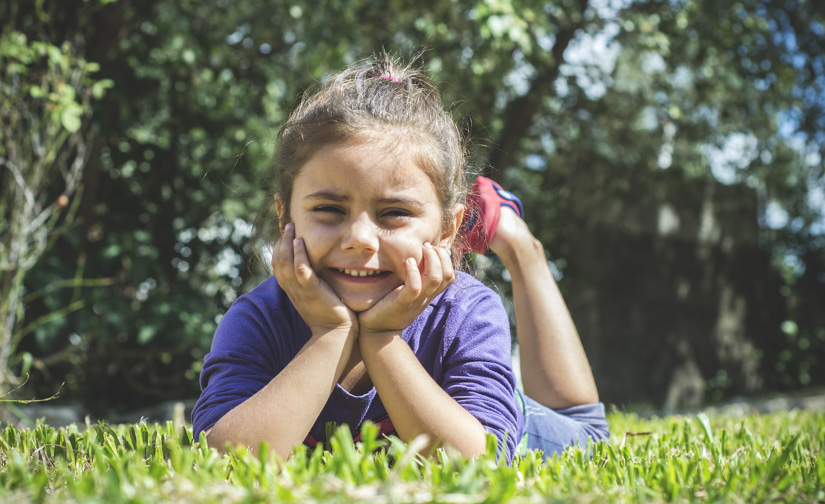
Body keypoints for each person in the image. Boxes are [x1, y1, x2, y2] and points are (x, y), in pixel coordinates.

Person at [191, 56, 608, 463]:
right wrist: (330, 332)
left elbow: (476, 464)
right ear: (286, 216)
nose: (359, 240)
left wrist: (381, 338)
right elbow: (221, 459)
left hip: (524, 423)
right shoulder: (258, 318)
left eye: (394, 213)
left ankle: (515, 240)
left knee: (589, 431)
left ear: (447, 229)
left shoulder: (468, 311)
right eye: (329, 210)